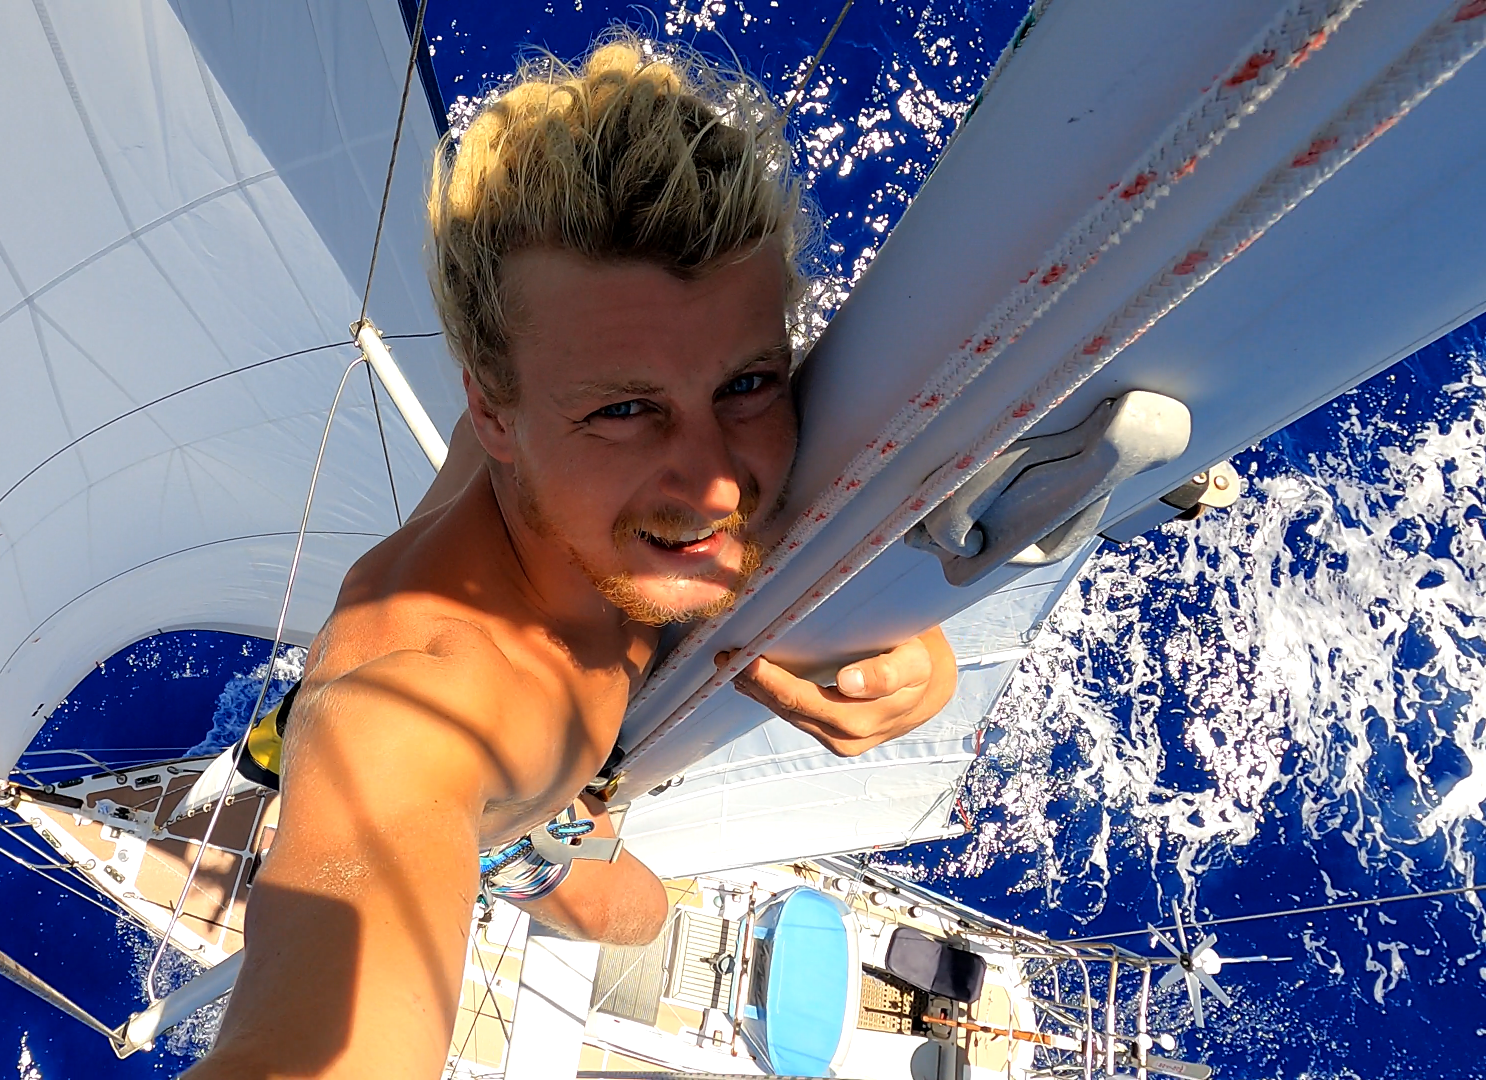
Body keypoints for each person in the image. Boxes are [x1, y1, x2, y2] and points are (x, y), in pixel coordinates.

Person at [182, 34, 957, 1079]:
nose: (717, 487)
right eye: (625, 411)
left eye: (747, 384)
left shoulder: (593, 418)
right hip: (507, 812)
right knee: (633, 913)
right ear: (492, 416)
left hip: (562, 742)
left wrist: (902, 633)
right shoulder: (417, 705)